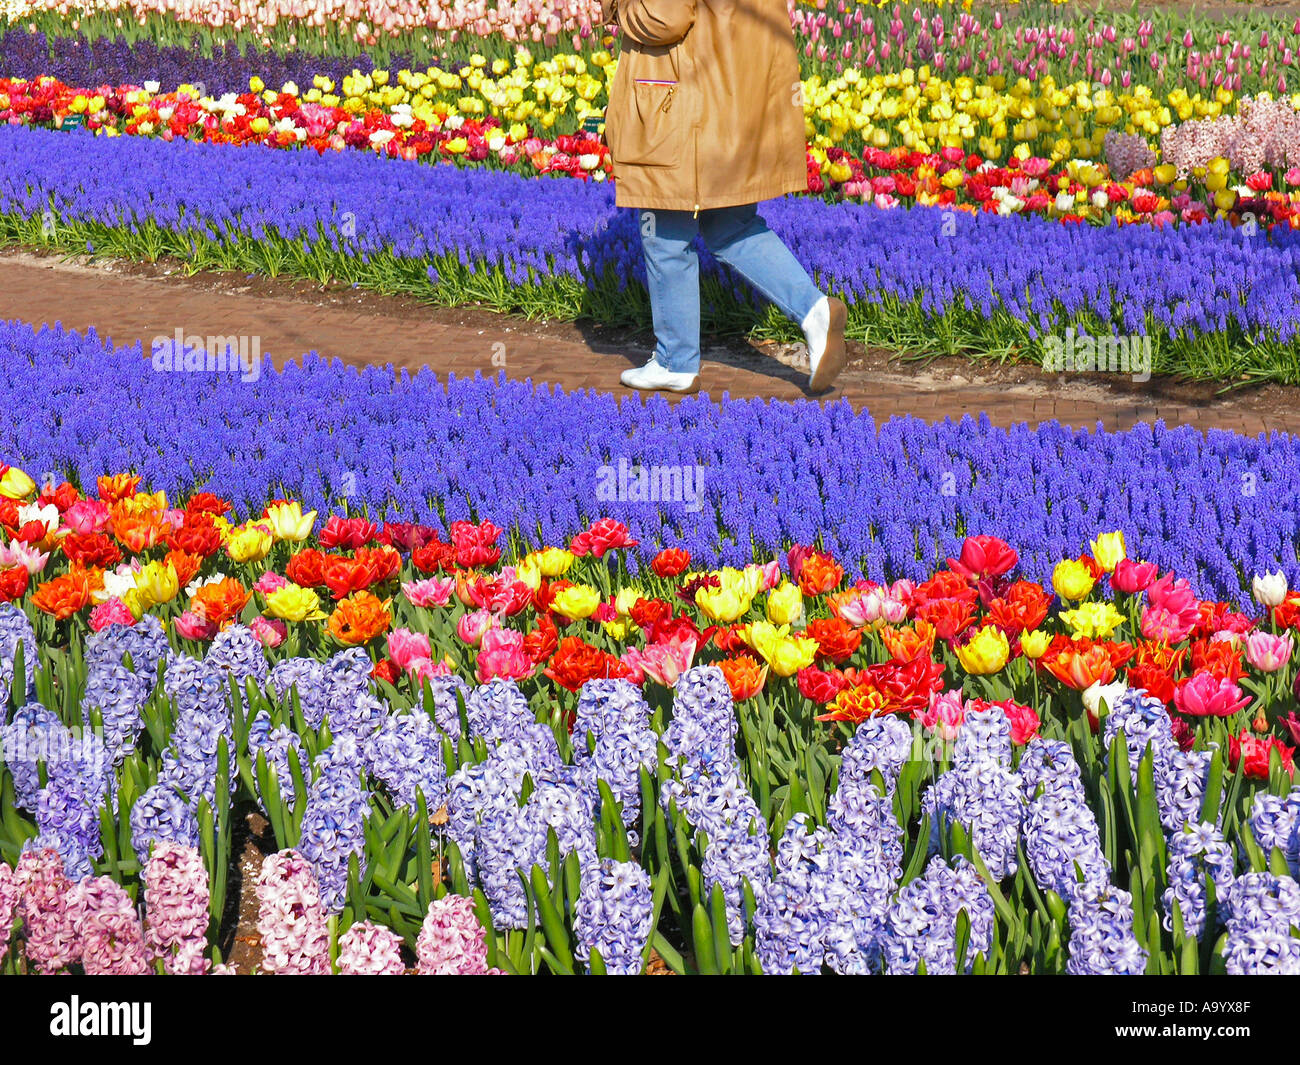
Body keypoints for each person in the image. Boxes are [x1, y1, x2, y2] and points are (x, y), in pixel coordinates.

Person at [600, 0, 847, 395]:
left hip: (682, 101)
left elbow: (664, 16)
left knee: (664, 228)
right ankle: (814, 310)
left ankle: (674, 360)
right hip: (735, 97)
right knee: (731, 225)